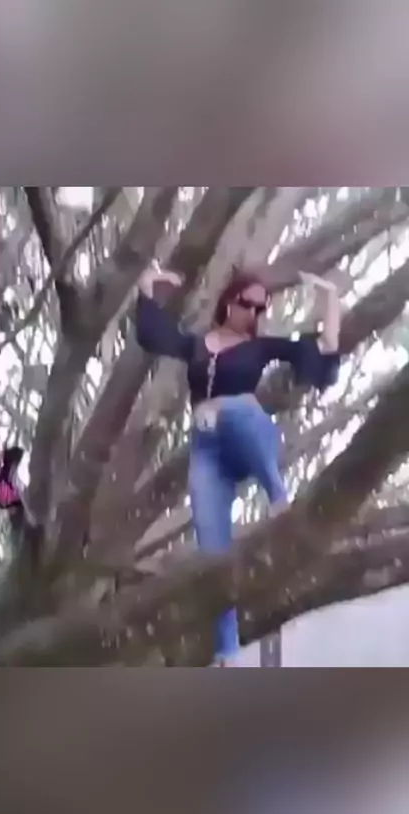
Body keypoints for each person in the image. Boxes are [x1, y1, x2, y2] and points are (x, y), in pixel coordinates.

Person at [135, 265, 341, 666]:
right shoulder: (197, 345)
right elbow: (156, 335)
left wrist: (330, 300)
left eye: (263, 308)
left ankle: (278, 499)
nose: (257, 314)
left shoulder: (261, 348)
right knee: (213, 553)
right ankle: (227, 652)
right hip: (208, 451)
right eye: (251, 305)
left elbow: (324, 348)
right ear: (230, 303)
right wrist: (146, 289)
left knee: (238, 411)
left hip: (249, 437)